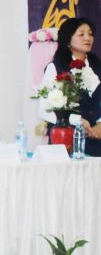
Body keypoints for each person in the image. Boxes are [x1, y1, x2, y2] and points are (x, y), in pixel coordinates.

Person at [38, 17, 101, 155]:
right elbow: (44, 110)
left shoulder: (97, 65)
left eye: (90, 34)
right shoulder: (56, 67)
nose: (88, 38)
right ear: (67, 40)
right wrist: (77, 121)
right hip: (66, 139)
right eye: (81, 34)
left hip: (97, 142)